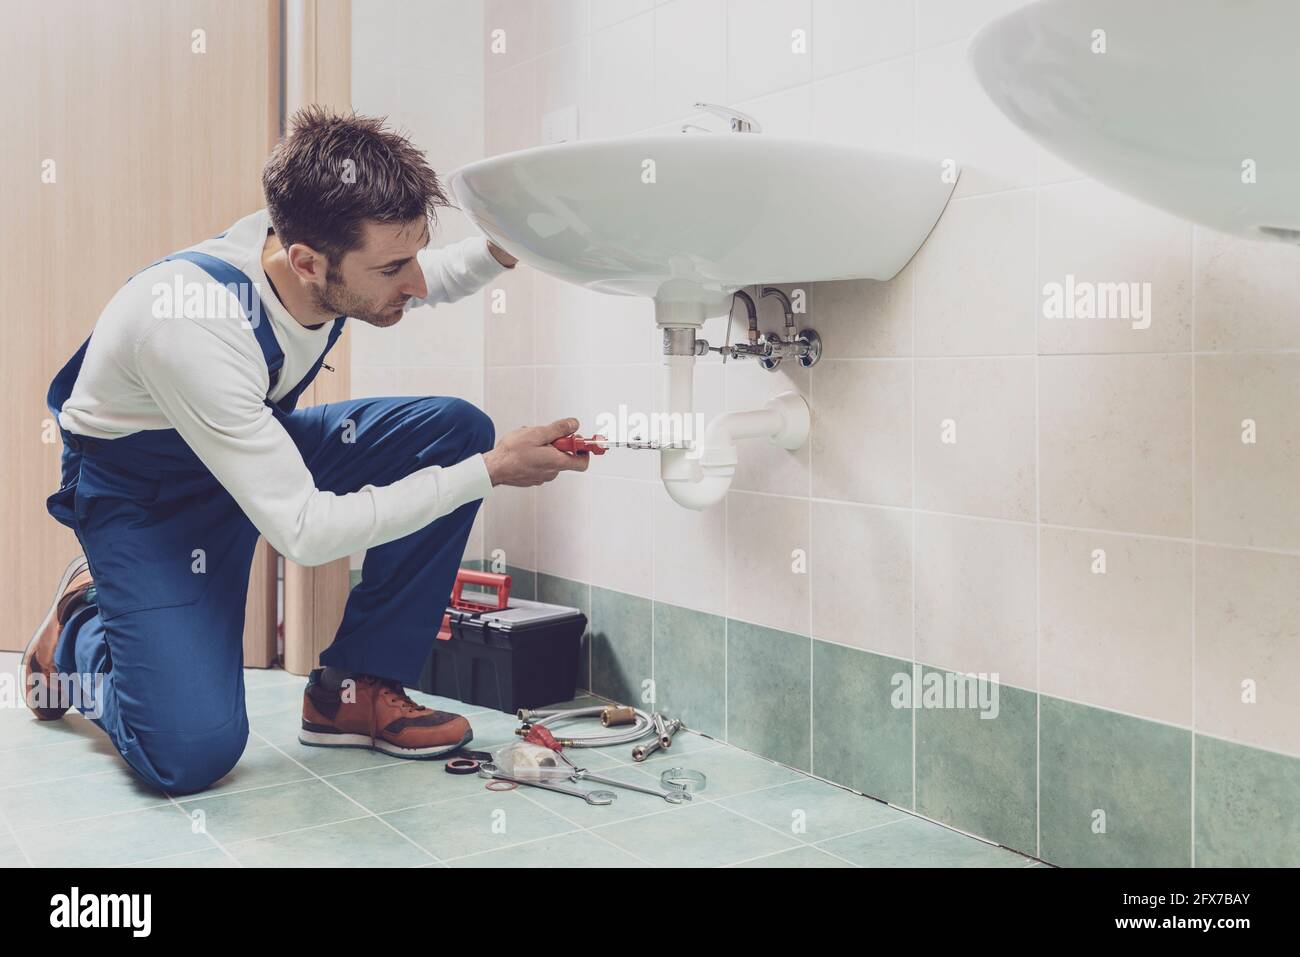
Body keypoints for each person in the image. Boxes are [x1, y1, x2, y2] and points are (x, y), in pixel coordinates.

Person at [21, 107, 587, 795]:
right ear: (307, 263)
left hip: (251, 451)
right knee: (189, 752)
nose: (411, 281)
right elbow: (306, 533)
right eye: (392, 266)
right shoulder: (189, 325)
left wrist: (504, 245)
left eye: (412, 254)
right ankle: (78, 629)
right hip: (146, 498)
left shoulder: (311, 257)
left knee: (453, 431)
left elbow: (424, 278)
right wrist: (492, 471)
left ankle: (352, 688)